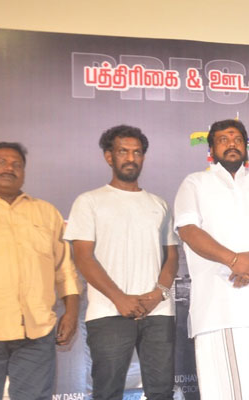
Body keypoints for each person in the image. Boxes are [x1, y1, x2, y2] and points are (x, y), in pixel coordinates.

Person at [173, 119, 249, 399]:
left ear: (246, 147)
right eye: (223, 140)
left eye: (237, 139)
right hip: (220, 309)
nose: (231, 144)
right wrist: (232, 261)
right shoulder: (195, 183)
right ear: (211, 149)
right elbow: (188, 230)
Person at [0, 142, 80, 399]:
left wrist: (72, 312)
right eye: (1, 162)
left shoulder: (47, 213)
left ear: (23, 172)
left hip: (37, 332)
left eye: (16, 164)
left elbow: (64, 269)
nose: (9, 168)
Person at [64, 125, 179, 400]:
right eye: (123, 151)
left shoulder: (159, 204)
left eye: (137, 152)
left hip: (158, 312)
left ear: (143, 157)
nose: (131, 158)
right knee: (107, 392)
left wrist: (159, 294)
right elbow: (83, 257)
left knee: (162, 392)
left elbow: (172, 256)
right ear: (109, 157)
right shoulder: (89, 202)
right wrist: (119, 298)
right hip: (109, 312)